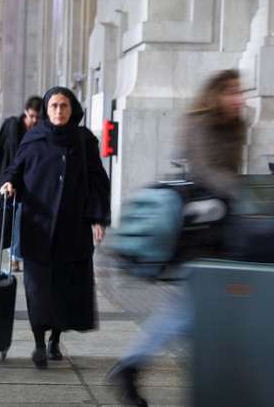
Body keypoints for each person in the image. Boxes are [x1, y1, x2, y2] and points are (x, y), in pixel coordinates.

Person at [105, 69, 246, 406]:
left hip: (221, 229)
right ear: (216, 94)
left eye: (241, 92)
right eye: (233, 92)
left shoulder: (237, 125)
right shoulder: (200, 122)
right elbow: (206, 172)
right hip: (199, 231)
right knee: (188, 310)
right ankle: (132, 367)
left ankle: (145, 369)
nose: (240, 98)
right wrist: (241, 195)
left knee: (193, 311)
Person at [0, 86, 111, 369]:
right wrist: (10, 183)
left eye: (63, 106)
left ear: (72, 108)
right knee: (37, 289)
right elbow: (16, 168)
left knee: (64, 288)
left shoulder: (84, 141)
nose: (59, 111)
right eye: (53, 106)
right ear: (46, 110)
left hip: (72, 230)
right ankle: (39, 341)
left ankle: (55, 340)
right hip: (37, 227)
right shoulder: (34, 138)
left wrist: (98, 218)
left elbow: (98, 180)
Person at [0, 95, 42, 271]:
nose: (33, 121)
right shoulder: (11, 126)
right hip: (10, 181)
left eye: (37, 117)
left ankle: (18, 255)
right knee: (13, 219)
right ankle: (14, 257)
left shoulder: (42, 130)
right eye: (31, 116)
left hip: (32, 183)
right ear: (25, 112)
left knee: (25, 221)